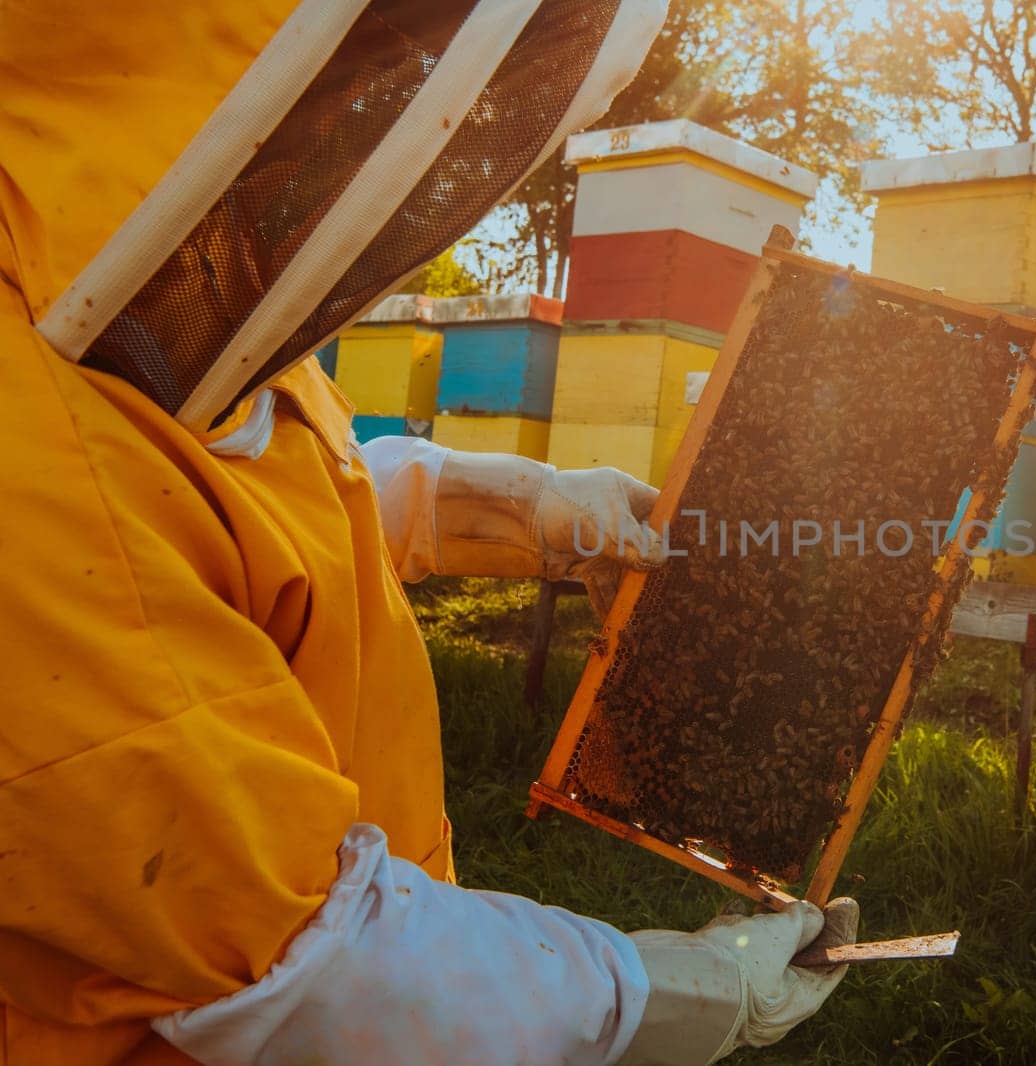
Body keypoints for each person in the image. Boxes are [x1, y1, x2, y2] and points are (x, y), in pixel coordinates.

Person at [0, 2, 857, 1064]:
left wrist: (520, 502)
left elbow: (259, 495)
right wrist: (695, 989)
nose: (339, 135)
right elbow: (318, 964)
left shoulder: (166, 309)